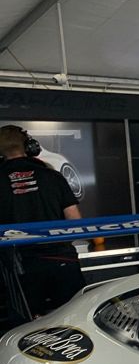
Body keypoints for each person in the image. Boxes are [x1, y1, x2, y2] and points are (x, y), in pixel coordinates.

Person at [0, 125, 84, 317]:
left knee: (24, 328)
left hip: (19, 266)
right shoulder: (52, 176)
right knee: (74, 321)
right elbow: (76, 222)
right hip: (61, 260)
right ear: (29, 147)